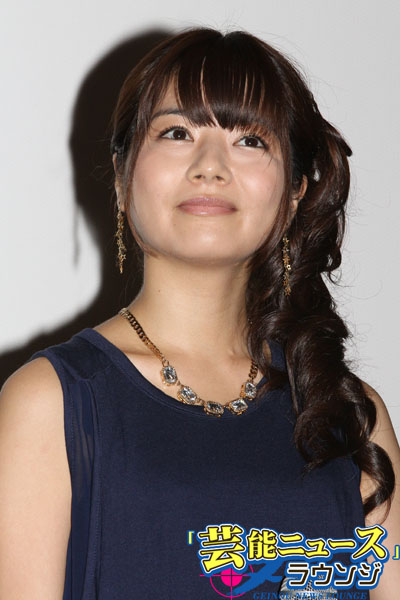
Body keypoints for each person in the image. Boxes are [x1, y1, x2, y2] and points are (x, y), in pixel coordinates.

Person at [0, 26, 398, 600]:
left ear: (294, 193)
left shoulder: (350, 413)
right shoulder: (52, 401)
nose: (210, 166)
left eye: (250, 140)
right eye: (177, 132)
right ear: (122, 179)